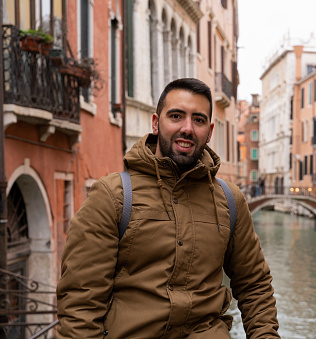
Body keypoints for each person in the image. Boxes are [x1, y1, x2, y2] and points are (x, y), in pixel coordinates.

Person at [56, 78, 280, 338]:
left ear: (209, 131)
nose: (187, 128)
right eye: (176, 116)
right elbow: (81, 303)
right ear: (155, 123)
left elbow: (255, 286)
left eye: (198, 120)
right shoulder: (111, 196)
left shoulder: (231, 200)